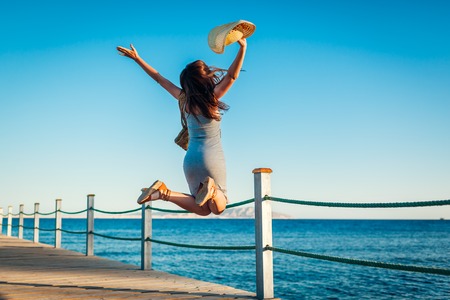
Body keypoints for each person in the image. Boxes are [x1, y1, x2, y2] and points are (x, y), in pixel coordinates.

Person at [116, 38, 247, 216]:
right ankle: (213, 190)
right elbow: (232, 76)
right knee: (218, 206)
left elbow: (159, 79)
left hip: (190, 160)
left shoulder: (183, 100)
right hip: (211, 158)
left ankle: (163, 193)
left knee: (201, 209)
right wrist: (242, 48)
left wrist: (137, 59)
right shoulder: (212, 99)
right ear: (205, 78)